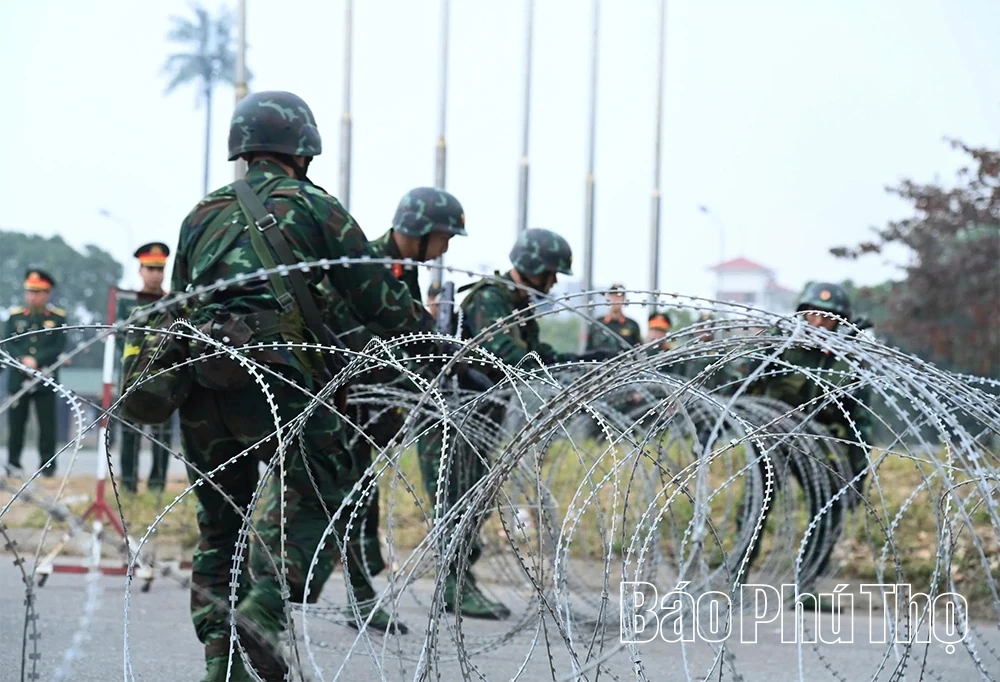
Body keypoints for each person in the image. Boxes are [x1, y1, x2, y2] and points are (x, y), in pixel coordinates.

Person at [172, 90, 438, 681]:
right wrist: (434, 338)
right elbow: (378, 301)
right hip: (279, 374)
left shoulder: (200, 214)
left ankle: (224, 665)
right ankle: (265, 609)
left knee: (222, 528)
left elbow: (178, 300)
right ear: (305, 150)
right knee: (327, 478)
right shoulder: (316, 207)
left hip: (201, 380)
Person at [418, 227, 609, 620]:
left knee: (473, 498)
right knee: (457, 502)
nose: (554, 282)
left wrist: (583, 358)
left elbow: (534, 353)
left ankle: (459, 581)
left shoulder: (515, 303)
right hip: (454, 417)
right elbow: (508, 356)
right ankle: (454, 586)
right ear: (533, 267)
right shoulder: (491, 298)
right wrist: (561, 366)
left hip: (478, 416)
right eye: (551, 273)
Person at [343, 186, 468, 635]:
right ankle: (268, 599)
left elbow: (407, 334)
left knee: (355, 499)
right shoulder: (369, 264)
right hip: (340, 399)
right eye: (444, 237)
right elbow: (366, 336)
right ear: (419, 231)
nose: (446, 248)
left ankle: (355, 598)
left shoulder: (401, 268)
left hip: (365, 405)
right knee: (337, 503)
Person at [740, 282, 873, 611]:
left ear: (840, 321)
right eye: (813, 315)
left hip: (821, 447)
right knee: (755, 506)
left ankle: (806, 586)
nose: (818, 323)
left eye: (827, 318)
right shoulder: (783, 346)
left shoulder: (851, 360)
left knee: (829, 510)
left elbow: (860, 420)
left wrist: (858, 470)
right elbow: (745, 382)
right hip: (775, 438)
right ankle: (735, 580)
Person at [117, 243, 173, 493]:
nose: (155, 274)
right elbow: (119, 339)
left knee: (162, 434)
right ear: (140, 271)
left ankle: (157, 486)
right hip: (131, 377)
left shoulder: (173, 301)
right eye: (150, 268)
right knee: (130, 433)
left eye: (160, 269)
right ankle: (128, 486)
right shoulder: (126, 304)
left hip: (164, 378)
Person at [4, 269, 67, 478]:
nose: (33, 296)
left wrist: (37, 360)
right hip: (18, 378)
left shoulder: (58, 318)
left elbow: (58, 346)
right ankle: (13, 465)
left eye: (38, 292)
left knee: (47, 425)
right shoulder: (14, 317)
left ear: (47, 294)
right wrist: (23, 360)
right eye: (30, 291)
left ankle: (48, 467)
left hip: (45, 378)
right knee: (16, 426)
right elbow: (7, 345)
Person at [585, 283, 642, 354]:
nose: (615, 300)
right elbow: (588, 350)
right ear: (608, 298)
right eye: (612, 296)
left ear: (624, 299)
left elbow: (638, 351)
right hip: (601, 363)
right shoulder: (597, 324)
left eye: (618, 296)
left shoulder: (632, 325)